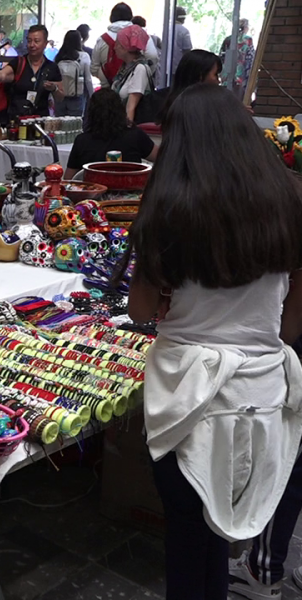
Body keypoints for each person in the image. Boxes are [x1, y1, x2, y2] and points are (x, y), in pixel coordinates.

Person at [123, 84, 302, 600]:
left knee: (187, 538)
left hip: (188, 399)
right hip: (262, 393)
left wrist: (172, 299)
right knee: (219, 538)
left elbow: (138, 311)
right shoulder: (289, 200)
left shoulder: (169, 208)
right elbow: (290, 323)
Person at [64, 88, 157, 179]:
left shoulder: (81, 141)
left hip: (94, 191)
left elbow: (68, 179)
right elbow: (161, 156)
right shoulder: (136, 136)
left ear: (91, 113)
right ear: (121, 110)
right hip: (131, 191)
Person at [0, 24, 64, 122]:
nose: (32, 45)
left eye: (36, 41)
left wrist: (54, 88)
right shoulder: (19, 62)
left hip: (41, 120)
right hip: (16, 120)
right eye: (29, 41)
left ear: (45, 43)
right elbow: (3, 74)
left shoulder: (51, 67)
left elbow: (60, 97)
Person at [92, 2, 159, 88]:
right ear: (130, 17)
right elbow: (153, 57)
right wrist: (142, 75)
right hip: (136, 87)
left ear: (111, 18)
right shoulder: (140, 34)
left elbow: (94, 68)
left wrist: (106, 81)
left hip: (108, 89)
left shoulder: (102, 40)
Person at [157, 49, 221, 123]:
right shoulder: (202, 110)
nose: (218, 81)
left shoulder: (169, 104)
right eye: (215, 75)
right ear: (200, 76)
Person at [111, 24, 153, 123]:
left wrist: (127, 132)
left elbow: (131, 108)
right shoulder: (125, 68)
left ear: (126, 48)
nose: (114, 47)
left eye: (118, 44)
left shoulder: (139, 69)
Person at [53, 30, 94, 117]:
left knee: (60, 125)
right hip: (76, 96)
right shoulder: (84, 56)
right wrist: (92, 96)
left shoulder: (58, 57)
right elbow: (88, 80)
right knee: (75, 126)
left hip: (60, 97)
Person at [220, 18, 254, 101]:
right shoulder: (248, 40)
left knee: (226, 99)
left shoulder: (228, 39)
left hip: (227, 74)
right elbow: (251, 58)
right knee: (238, 100)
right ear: (246, 27)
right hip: (241, 74)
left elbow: (221, 56)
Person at [172, 7, 193, 79]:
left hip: (165, 68)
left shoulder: (167, 28)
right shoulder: (184, 31)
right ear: (182, 18)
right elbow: (187, 50)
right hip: (179, 66)